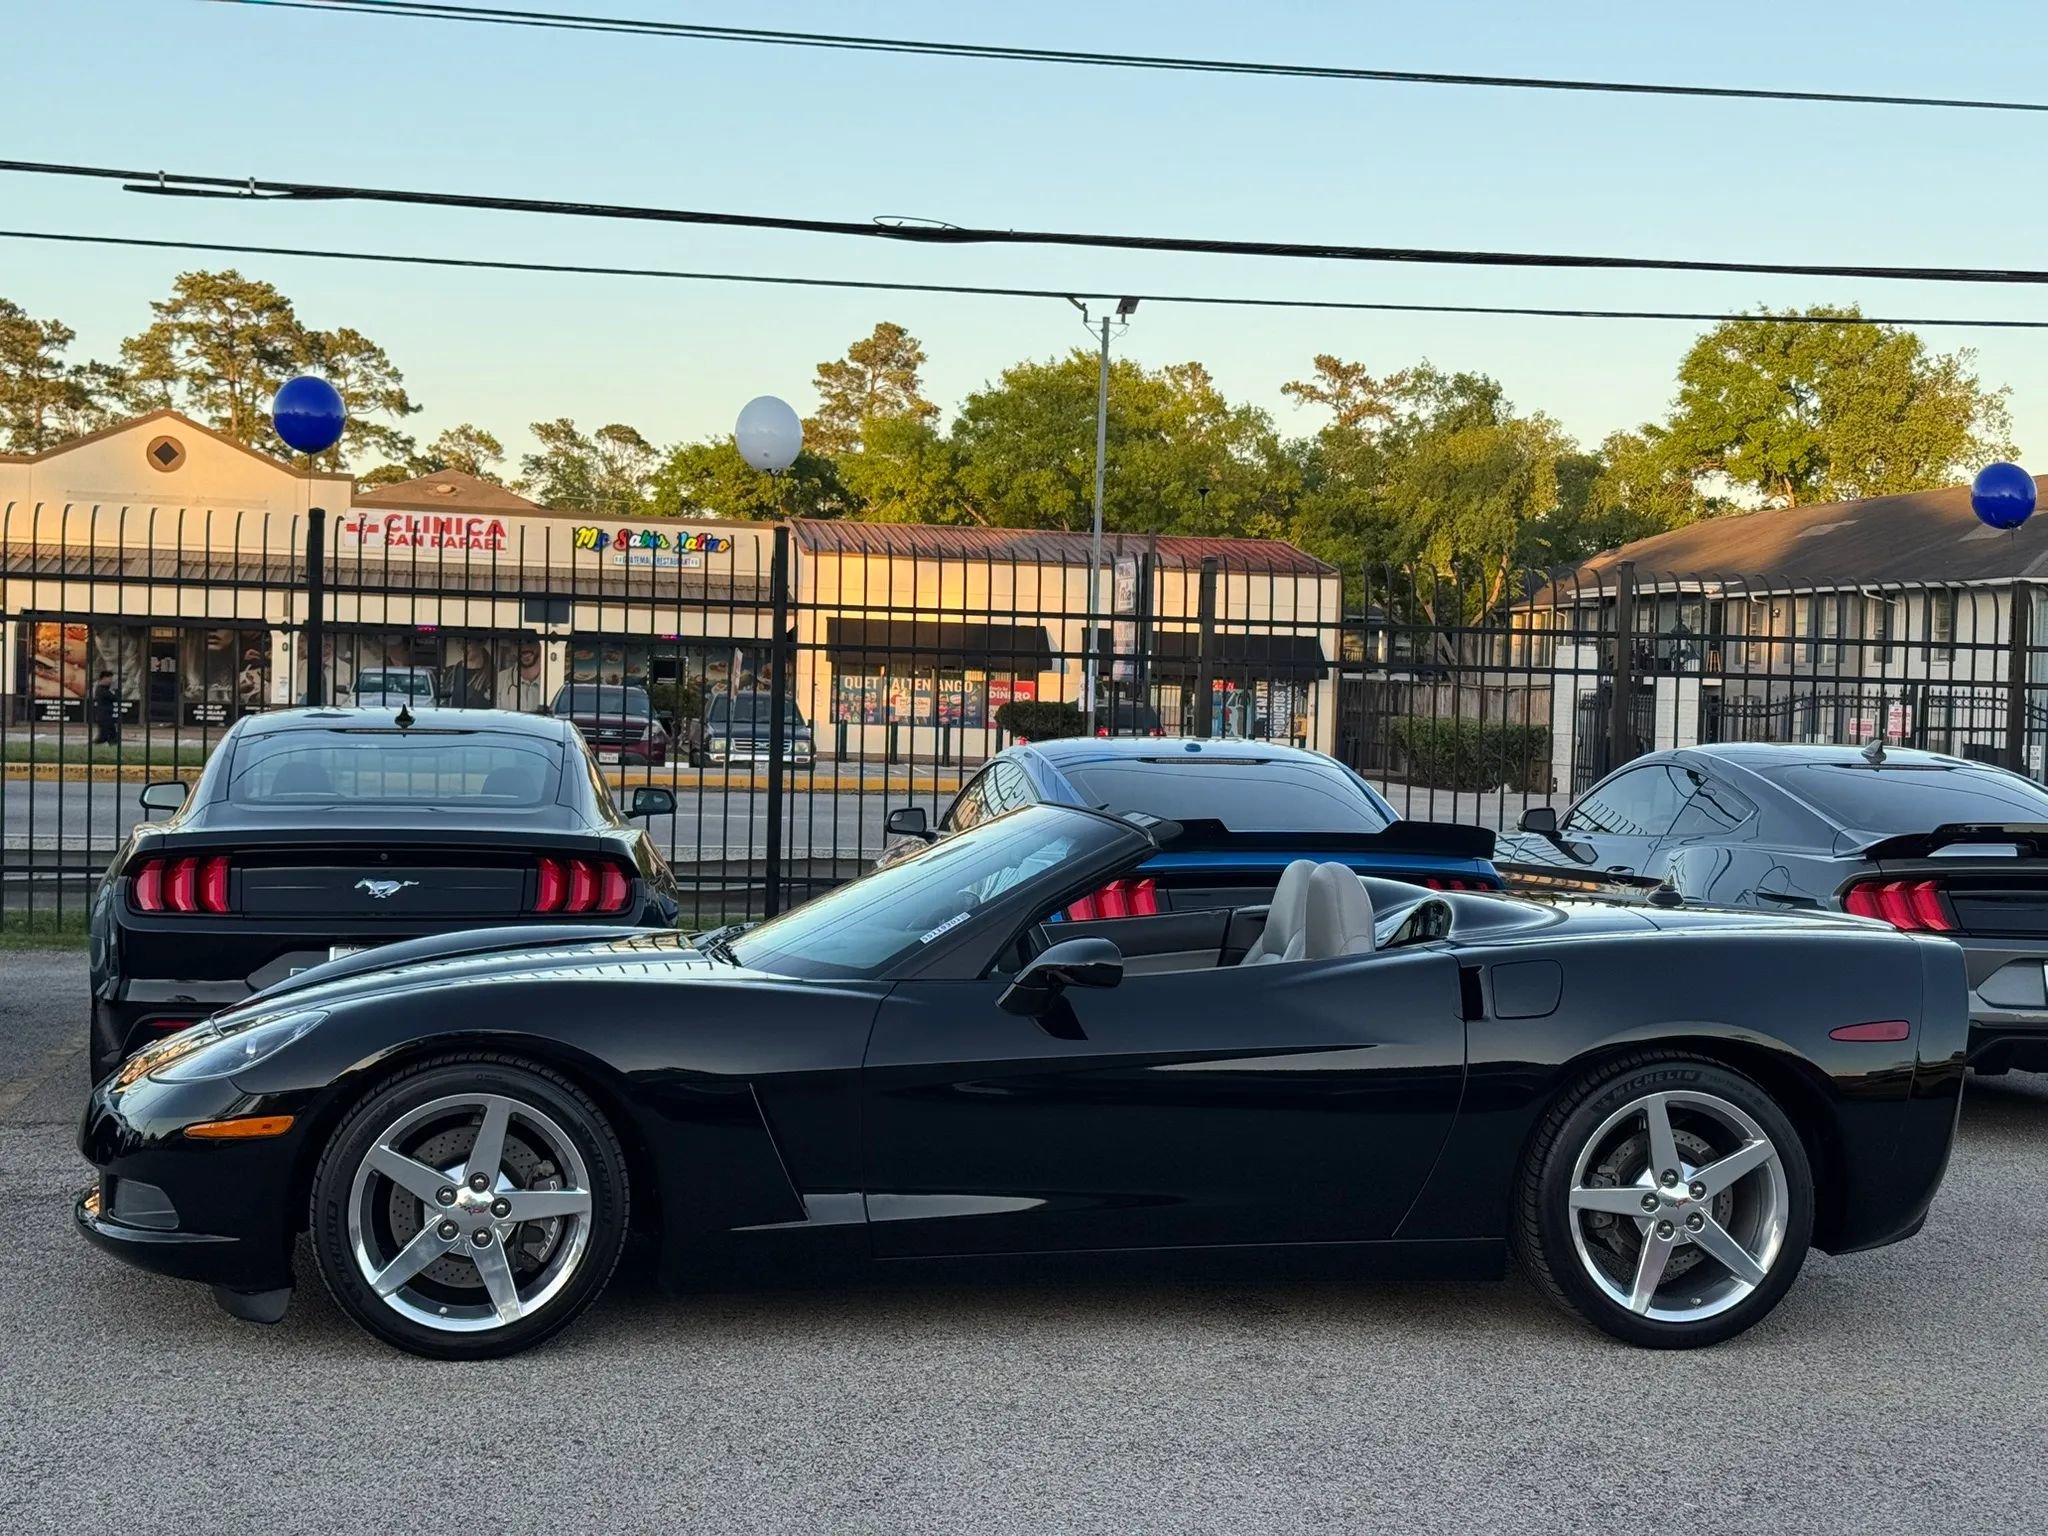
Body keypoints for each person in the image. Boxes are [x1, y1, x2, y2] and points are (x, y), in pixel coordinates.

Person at [93, 669, 121, 746]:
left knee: (103, 736)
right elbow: (115, 698)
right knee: (111, 735)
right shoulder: (101, 690)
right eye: (110, 679)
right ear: (104, 678)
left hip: (105, 715)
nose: (111, 681)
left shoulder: (104, 689)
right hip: (104, 716)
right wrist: (116, 691)